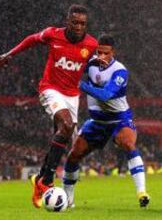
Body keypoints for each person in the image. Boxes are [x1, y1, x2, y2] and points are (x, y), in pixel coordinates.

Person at [0, 4, 98, 208]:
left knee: (70, 142)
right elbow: (32, 39)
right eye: (75, 22)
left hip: (72, 96)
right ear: (67, 21)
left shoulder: (91, 44)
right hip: (50, 89)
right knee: (66, 126)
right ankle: (47, 180)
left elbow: (96, 63)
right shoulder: (53, 34)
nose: (78, 27)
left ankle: (40, 178)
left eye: (82, 24)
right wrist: (10, 54)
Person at [62, 34, 149, 209]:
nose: (101, 56)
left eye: (106, 53)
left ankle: (142, 192)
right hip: (97, 121)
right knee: (74, 155)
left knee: (129, 144)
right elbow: (70, 67)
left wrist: (80, 84)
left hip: (119, 119)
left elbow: (106, 95)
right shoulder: (91, 63)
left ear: (113, 52)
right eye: (99, 52)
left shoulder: (120, 71)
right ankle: (68, 199)